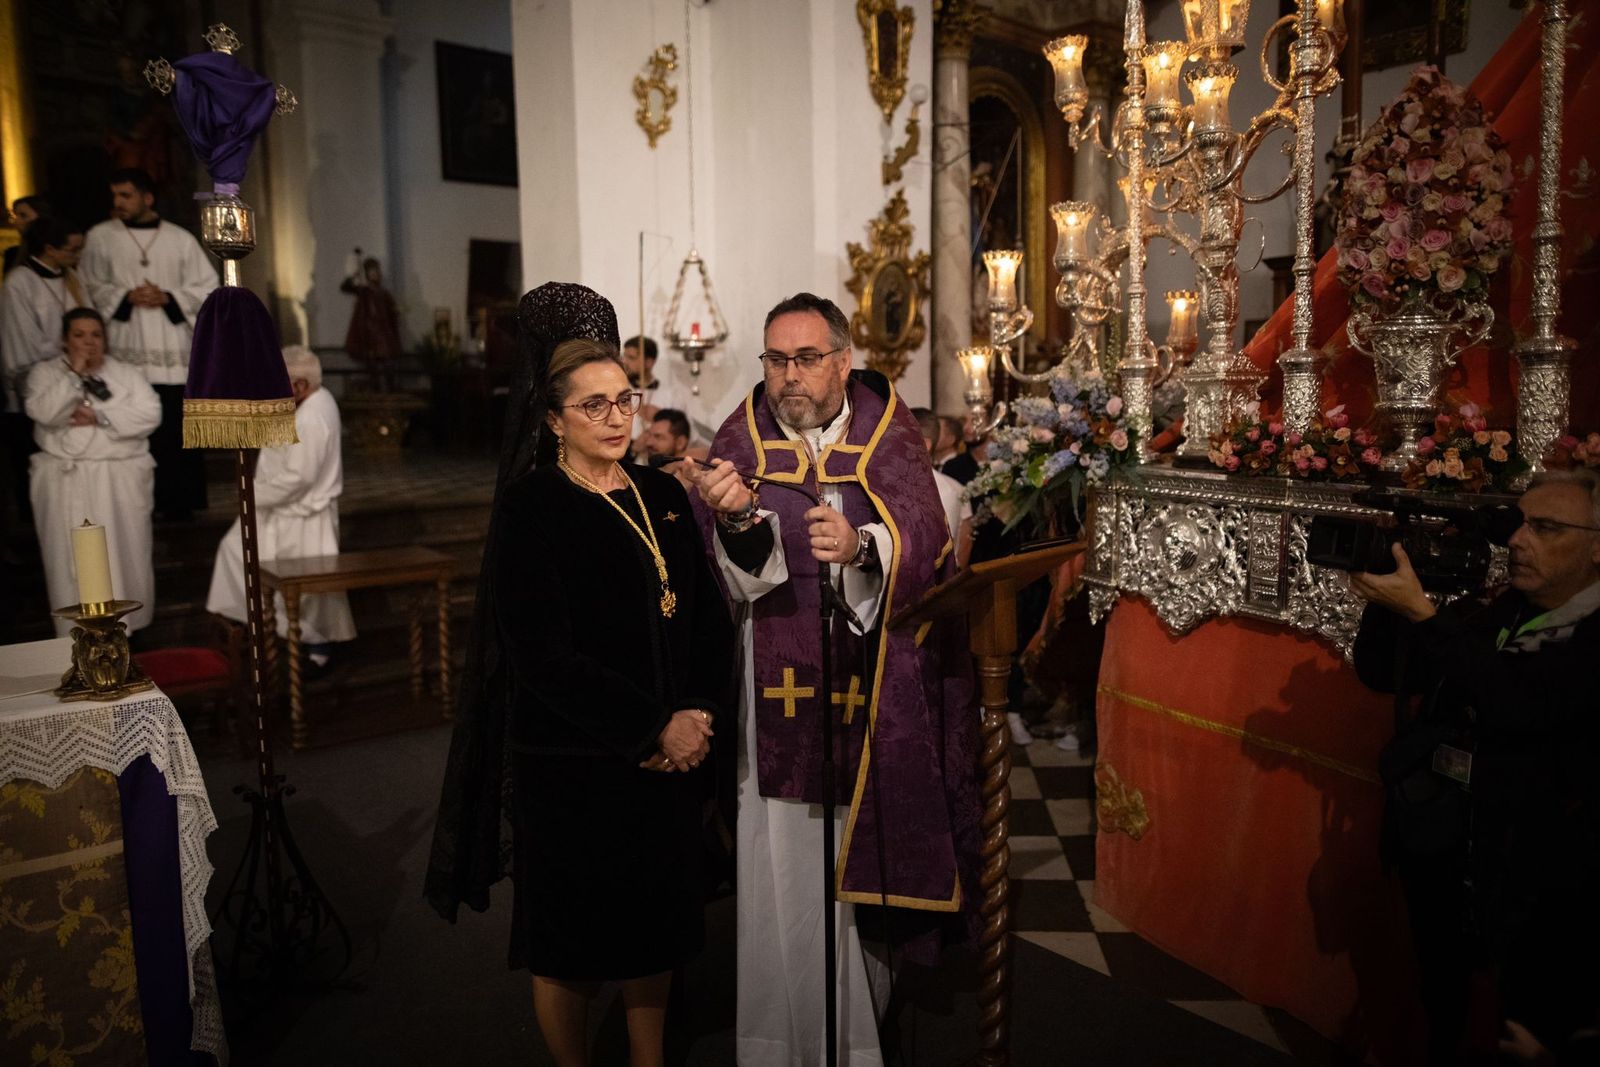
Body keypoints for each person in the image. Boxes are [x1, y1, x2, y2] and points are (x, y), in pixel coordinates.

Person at [426, 284, 734, 1067]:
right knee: (568, 941)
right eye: (593, 405)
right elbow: (544, 659)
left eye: (624, 399)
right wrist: (650, 726)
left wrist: (695, 711)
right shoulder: (532, 509)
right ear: (554, 417)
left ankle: (648, 1058)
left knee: (656, 925)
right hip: (574, 765)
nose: (616, 418)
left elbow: (701, 616)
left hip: (668, 760)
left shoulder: (662, 492)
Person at [688, 292, 981, 1064]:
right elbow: (728, 582)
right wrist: (739, 523)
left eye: (807, 358)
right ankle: (777, 1044)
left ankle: (856, 1043)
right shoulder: (738, 442)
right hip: (775, 702)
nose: (789, 376)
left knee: (863, 868)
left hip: (875, 694)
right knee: (781, 872)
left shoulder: (890, 439)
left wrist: (861, 548)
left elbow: (925, 543)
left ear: (843, 361)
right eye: (777, 359)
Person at [1352, 469, 1600, 1063]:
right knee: (1444, 996)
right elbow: (1381, 674)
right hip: (1450, 844)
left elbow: (1513, 699)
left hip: (1541, 877)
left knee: (1522, 1013)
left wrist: (1423, 616)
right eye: (1518, 523)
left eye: (1545, 528)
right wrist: (1392, 604)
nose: (1518, 540)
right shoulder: (1502, 608)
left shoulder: (1593, 636)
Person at [78, 167, 217, 519]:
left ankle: (182, 505)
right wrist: (126, 296)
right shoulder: (101, 237)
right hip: (128, 351)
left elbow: (208, 287)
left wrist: (169, 297)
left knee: (177, 432)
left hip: (173, 354)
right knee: (137, 425)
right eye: (115, 196)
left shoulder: (180, 239)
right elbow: (87, 286)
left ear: (147, 197)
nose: (118, 203)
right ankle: (138, 505)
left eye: (126, 195)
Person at [205, 346, 356, 665]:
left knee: (307, 594)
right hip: (281, 508)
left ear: (300, 385)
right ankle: (251, 628)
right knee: (235, 551)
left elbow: (298, 478)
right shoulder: (311, 400)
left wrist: (251, 494)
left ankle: (316, 652)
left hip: (302, 514)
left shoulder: (313, 416)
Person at [26, 308, 160, 634]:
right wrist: (74, 375)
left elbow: (150, 413)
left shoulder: (126, 374)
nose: (89, 342)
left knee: (124, 559)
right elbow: (43, 411)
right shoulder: (45, 374)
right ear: (64, 339)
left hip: (117, 478)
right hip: (66, 480)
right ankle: (76, 637)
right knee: (69, 563)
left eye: (96, 335)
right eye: (80, 335)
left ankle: (127, 631)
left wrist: (99, 415)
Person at [2, 217, 86, 523]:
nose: (77, 257)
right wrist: (67, 356)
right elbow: (21, 344)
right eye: (73, 250)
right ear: (49, 249)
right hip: (36, 386)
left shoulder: (71, 277)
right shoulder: (19, 283)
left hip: (78, 378)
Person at [623, 334, 711, 451]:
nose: (624, 362)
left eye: (631, 358)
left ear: (649, 362)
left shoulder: (671, 395)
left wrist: (661, 416)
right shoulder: (620, 392)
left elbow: (689, 436)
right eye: (624, 356)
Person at [3, 195, 51, 274]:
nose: (16, 221)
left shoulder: (59, 250)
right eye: (15, 216)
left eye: (23, 215)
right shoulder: (12, 254)